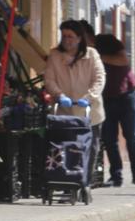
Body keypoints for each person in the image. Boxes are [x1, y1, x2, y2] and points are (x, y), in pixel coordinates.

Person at [44, 20, 106, 173]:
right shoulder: (55, 55)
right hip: (65, 113)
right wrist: (59, 95)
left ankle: (85, 182)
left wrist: (89, 97)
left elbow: (99, 78)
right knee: (65, 147)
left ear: (79, 38)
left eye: (70, 36)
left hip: (90, 112)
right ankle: (67, 180)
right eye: (64, 36)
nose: (66, 40)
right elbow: (49, 79)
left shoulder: (92, 54)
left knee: (90, 148)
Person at [95, 34, 135, 188]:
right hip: (106, 97)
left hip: (126, 95)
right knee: (109, 139)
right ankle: (116, 176)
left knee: (132, 137)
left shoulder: (108, 41)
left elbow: (123, 60)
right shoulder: (86, 50)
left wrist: (98, 57)